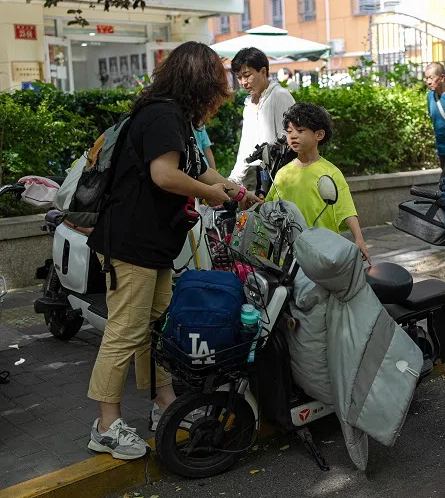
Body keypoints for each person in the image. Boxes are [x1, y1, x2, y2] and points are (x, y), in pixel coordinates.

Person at [86, 42, 261, 460]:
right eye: (217, 82)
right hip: (129, 243)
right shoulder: (163, 115)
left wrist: (238, 192)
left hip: (154, 244)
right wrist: (211, 195)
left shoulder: (176, 119)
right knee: (126, 332)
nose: (221, 91)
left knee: (160, 330)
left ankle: (163, 401)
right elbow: (164, 175)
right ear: (198, 81)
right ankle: (106, 426)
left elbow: (200, 170)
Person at [265, 103, 370, 262]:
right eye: (289, 131)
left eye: (300, 131)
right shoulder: (282, 174)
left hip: (323, 254)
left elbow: (346, 210)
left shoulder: (331, 172)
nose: (292, 136)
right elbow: (268, 208)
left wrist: (359, 239)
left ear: (319, 135)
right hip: (287, 256)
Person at [229, 48, 296, 193]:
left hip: (284, 175)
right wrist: (234, 179)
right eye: (239, 77)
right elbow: (246, 145)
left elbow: (288, 141)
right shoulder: (249, 104)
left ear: (263, 72)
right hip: (262, 175)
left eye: (247, 75)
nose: (243, 83)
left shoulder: (280, 96)